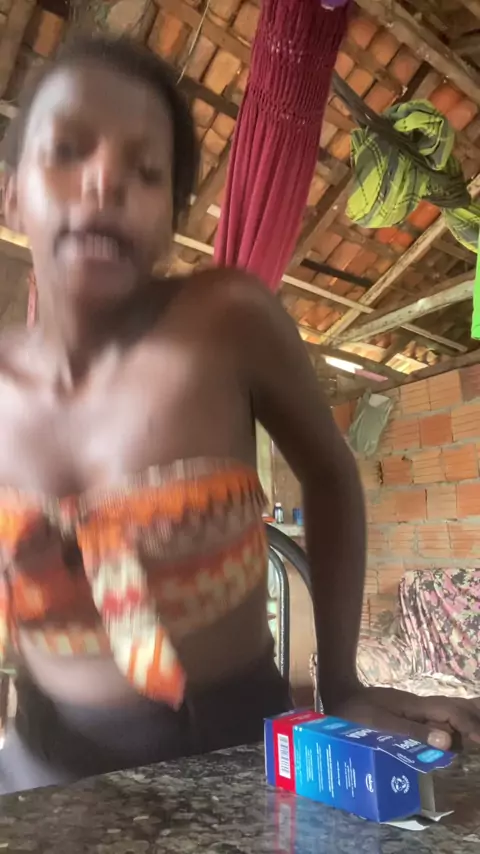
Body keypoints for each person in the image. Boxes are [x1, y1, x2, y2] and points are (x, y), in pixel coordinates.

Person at [0, 35, 478, 795]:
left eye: (145, 171)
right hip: (44, 766)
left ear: (170, 223)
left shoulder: (226, 321)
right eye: (65, 150)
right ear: (11, 193)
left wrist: (342, 683)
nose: (104, 181)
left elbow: (330, 473)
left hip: (232, 752)